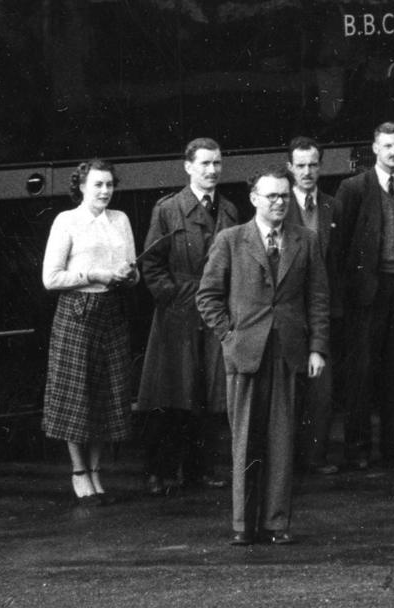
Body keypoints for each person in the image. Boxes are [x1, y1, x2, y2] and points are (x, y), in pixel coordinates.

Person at [196, 170, 331, 546]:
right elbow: (207, 296)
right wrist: (229, 335)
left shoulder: (306, 240)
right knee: (244, 442)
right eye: (271, 196)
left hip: (288, 352)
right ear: (254, 198)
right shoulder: (231, 240)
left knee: (282, 440)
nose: (279, 203)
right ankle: (243, 524)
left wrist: (317, 347)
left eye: (285, 197)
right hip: (245, 352)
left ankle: (276, 522)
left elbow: (318, 298)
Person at [135, 137, 243, 495]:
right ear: (188, 167)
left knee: (209, 395)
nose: (212, 170)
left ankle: (200, 470)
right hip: (178, 314)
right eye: (205, 164)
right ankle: (160, 472)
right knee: (171, 396)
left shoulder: (228, 210)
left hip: (215, 314)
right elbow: (150, 263)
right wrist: (172, 296)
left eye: (217, 163)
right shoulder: (168, 210)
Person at [328, 121, 394, 469]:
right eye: (387, 146)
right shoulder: (354, 188)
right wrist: (343, 299)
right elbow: (338, 248)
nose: (393, 153)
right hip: (367, 293)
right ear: (374, 148)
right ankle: (357, 449)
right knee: (362, 372)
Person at [41, 158, 137, 502]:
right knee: (76, 394)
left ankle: (97, 472)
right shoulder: (67, 221)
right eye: (97, 185)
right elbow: (50, 279)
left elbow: (131, 269)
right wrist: (93, 275)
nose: (105, 191)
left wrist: (128, 275)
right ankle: (78, 471)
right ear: (81, 187)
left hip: (111, 312)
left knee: (107, 394)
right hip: (77, 312)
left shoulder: (120, 220)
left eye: (109, 185)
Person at [285, 136, 342, 475]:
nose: (307, 172)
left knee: (322, 387)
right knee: (291, 387)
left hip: (322, 308)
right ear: (290, 168)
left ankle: (315, 457)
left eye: (313, 165)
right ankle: (287, 460)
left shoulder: (333, 207)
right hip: (291, 307)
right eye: (301, 165)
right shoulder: (280, 204)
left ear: (320, 166)